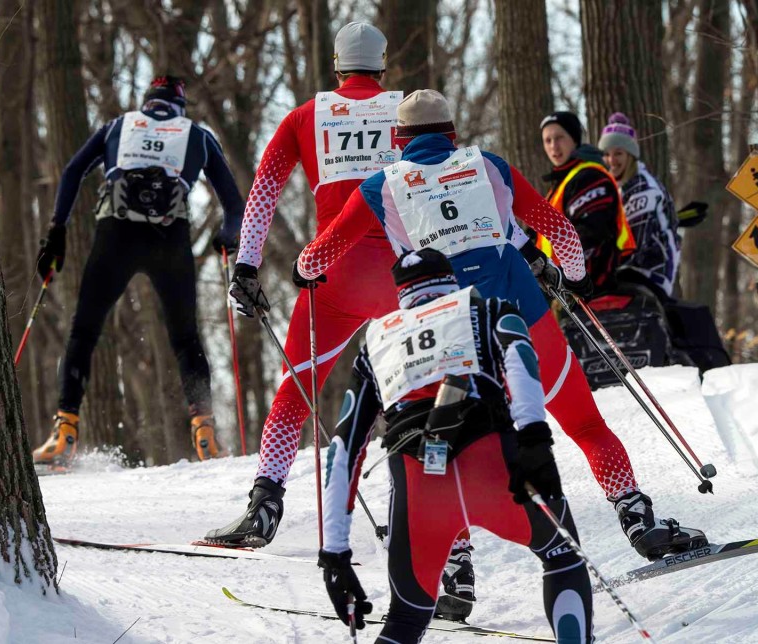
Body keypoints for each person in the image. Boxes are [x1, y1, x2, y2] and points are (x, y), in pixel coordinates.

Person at [296, 89, 706, 619]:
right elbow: (558, 231)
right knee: (584, 423)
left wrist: (305, 271)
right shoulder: (486, 165)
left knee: (448, 441)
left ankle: (457, 571)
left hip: (448, 337)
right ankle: (637, 519)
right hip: (524, 316)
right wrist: (568, 273)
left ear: (397, 141)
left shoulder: (382, 185)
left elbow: (319, 254)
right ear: (452, 135)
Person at [318, 248, 594, 644]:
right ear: (451, 281)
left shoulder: (375, 342)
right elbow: (520, 358)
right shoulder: (485, 307)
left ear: (401, 293)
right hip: (492, 466)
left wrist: (335, 554)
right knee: (562, 557)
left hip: (420, 491)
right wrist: (535, 440)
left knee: (407, 618)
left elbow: (344, 448)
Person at [204, 23, 404, 546]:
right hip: (405, 275)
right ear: (382, 67)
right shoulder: (407, 112)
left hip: (333, 274)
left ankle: (265, 503)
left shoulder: (305, 116)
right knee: (415, 391)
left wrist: (245, 267)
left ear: (336, 66)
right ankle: (434, 521)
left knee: (296, 392)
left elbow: (265, 189)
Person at [32, 76, 244, 467]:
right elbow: (234, 203)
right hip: (171, 238)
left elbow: (71, 172)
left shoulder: (119, 126)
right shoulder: (196, 135)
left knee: (85, 329)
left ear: (147, 103)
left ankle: (64, 430)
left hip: (116, 234)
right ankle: (205, 432)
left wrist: (56, 232)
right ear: (179, 106)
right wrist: (226, 237)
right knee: (185, 337)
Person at [538, 111, 635, 292]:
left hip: (585, 288)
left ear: (574, 139)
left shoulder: (589, 178)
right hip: (556, 286)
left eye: (560, 138)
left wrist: (572, 283)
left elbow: (590, 236)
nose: (554, 146)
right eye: (547, 140)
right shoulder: (562, 182)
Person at [598, 113, 681, 300]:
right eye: (607, 154)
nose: (612, 160)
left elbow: (634, 245)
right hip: (630, 272)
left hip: (650, 274)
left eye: (618, 153)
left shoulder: (643, 189)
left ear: (631, 156)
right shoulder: (617, 189)